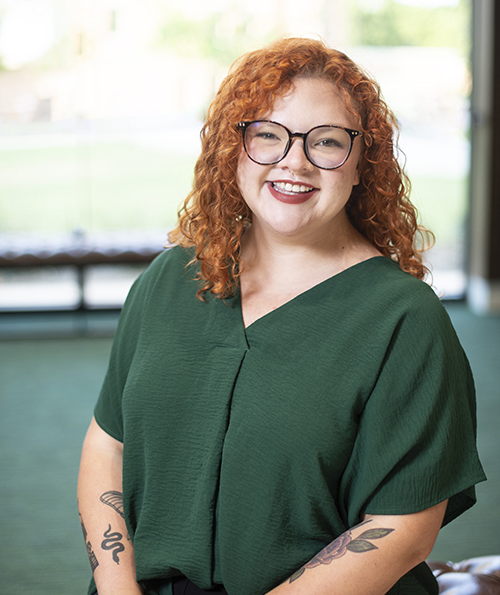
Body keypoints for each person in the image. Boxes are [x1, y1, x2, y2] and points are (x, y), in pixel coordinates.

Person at [77, 37, 486, 595]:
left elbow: (401, 530)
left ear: (363, 161)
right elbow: (108, 443)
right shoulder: (171, 279)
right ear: (234, 148)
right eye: (268, 134)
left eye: (326, 142)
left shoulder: (403, 320)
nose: (294, 161)